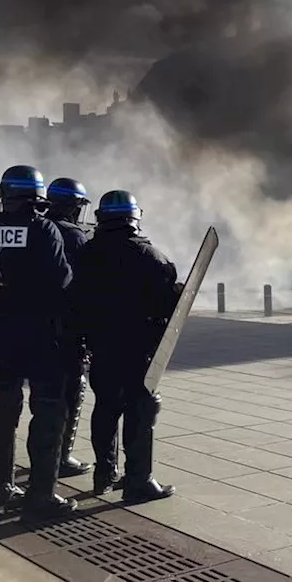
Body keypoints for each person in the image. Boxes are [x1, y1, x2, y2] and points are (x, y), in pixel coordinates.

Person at [0, 166, 76, 519]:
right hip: (41, 336)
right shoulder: (43, 229)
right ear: (37, 196)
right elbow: (62, 283)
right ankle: (40, 495)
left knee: (2, 412)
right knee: (47, 412)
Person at [74, 191, 178, 502]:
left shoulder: (87, 252)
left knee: (105, 408)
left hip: (101, 346)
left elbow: (76, 298)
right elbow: (169, 301)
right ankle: (138, 481)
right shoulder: (150, 257)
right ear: (135, 218)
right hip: (139, 349)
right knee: (141, 410)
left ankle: (104, 474)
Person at [45, 177, 93, 478]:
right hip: (67, 328)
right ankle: (60, 458)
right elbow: (87, 287)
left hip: (31, 326)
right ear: (75, 206)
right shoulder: (76, 238)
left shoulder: (35, 228)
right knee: (71, 391)